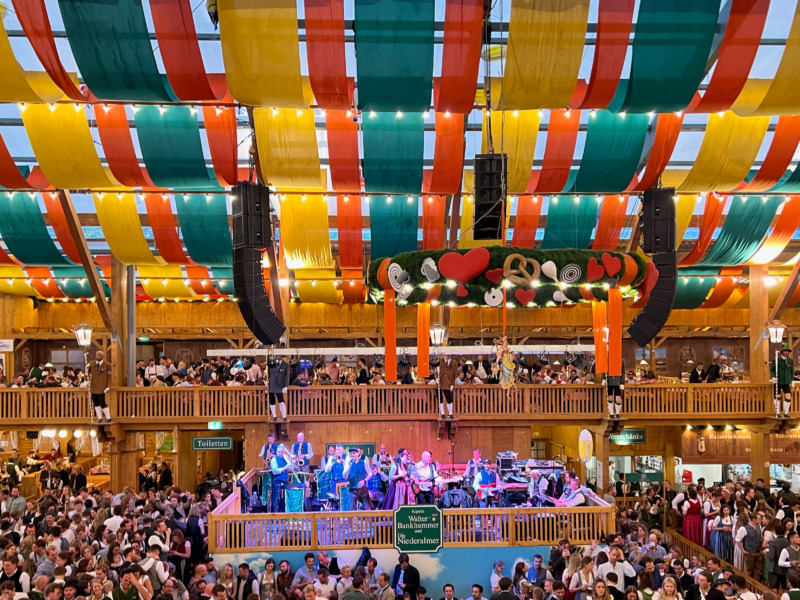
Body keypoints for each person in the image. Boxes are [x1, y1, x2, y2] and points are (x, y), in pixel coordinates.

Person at [86, 351, 113, 424]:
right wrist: (87, 376)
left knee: (102, 402)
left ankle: (108, 417)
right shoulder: (92, 364)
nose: (98, 357)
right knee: (95, 403)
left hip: (102, 387)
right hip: (94, 386)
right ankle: (99, 417)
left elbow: (110, 377)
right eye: (97, 355)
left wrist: (108, 386)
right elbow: (87, 372)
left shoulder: (107, 365)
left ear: (102, 356)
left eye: (99, 356)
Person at [736, 511, 764, 580]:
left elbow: (760, 538)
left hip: (758, 553)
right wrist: (743, 550)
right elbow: (737, 540)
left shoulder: (759, 527)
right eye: (759, 519)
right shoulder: (744, 528)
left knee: (758, 571)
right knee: (748, 571)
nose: (761, 520)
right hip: (749, 553)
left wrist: (761, 549)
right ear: (754, 519)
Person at [771, 347, 795, 418]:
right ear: (782, 352)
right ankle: (777, 412)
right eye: (785, 351)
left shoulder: (790, 360)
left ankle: (786, 413)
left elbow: (791, 370)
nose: (786, 353)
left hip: (786, 381)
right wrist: (773, 377)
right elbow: (772, 370)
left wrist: (792, 380)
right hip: (778, 380)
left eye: (787, 351)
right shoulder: (776, 359)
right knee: (777, 397)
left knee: (788, 396)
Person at [269, 447, 292, 513]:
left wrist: (291, 463)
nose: (283, 454)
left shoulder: (285, 459)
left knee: (285, 498)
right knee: (275, 498)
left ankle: (284, 514)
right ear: (278, 452)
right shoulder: (274, 459)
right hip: (277, 481)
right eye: (282, 452)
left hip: (285, 480)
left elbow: (290, 468)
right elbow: (275, 471)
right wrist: (285, 467)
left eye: (284, 452)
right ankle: (274, 515)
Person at [268, 357, 290, 422]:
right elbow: (269, 374)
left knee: (281, 400)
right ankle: (274, 416)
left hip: (280, 385)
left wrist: (286, 386)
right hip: (272, 384)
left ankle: (284, 416)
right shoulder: (271, 363)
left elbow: (287, 376)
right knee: (272, 400)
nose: (278, 356)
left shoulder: (286, 365)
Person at [437, 355, 459, 419]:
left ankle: (450, 414)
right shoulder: (440, 360)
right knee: (440, 398)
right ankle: (442, 413)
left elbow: (455, 374)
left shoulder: (454, 363)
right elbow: (435, 370)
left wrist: (452, 384)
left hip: (448, 383)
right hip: (439, 382)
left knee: (449, 399)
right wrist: (436, 379)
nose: (448, 355)